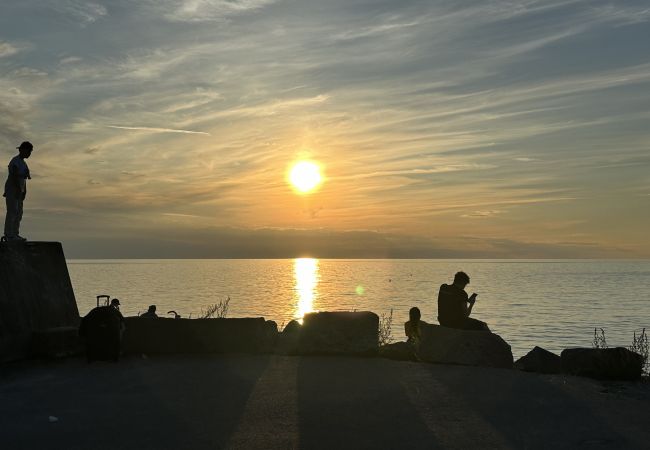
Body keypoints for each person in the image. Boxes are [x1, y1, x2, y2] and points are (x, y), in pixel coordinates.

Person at [3, 141, 33, 242]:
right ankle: (9, 235)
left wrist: (24, 191)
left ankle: (15, 234)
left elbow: (25, 179)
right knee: (12, 211)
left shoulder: (24, 164)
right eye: (28, 151)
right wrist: (18, 189)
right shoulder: (15, 161)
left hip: (20, 190)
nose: (29, 154)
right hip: (13, 189)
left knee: (19, 213)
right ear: (23, 150)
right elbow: (14, 176)